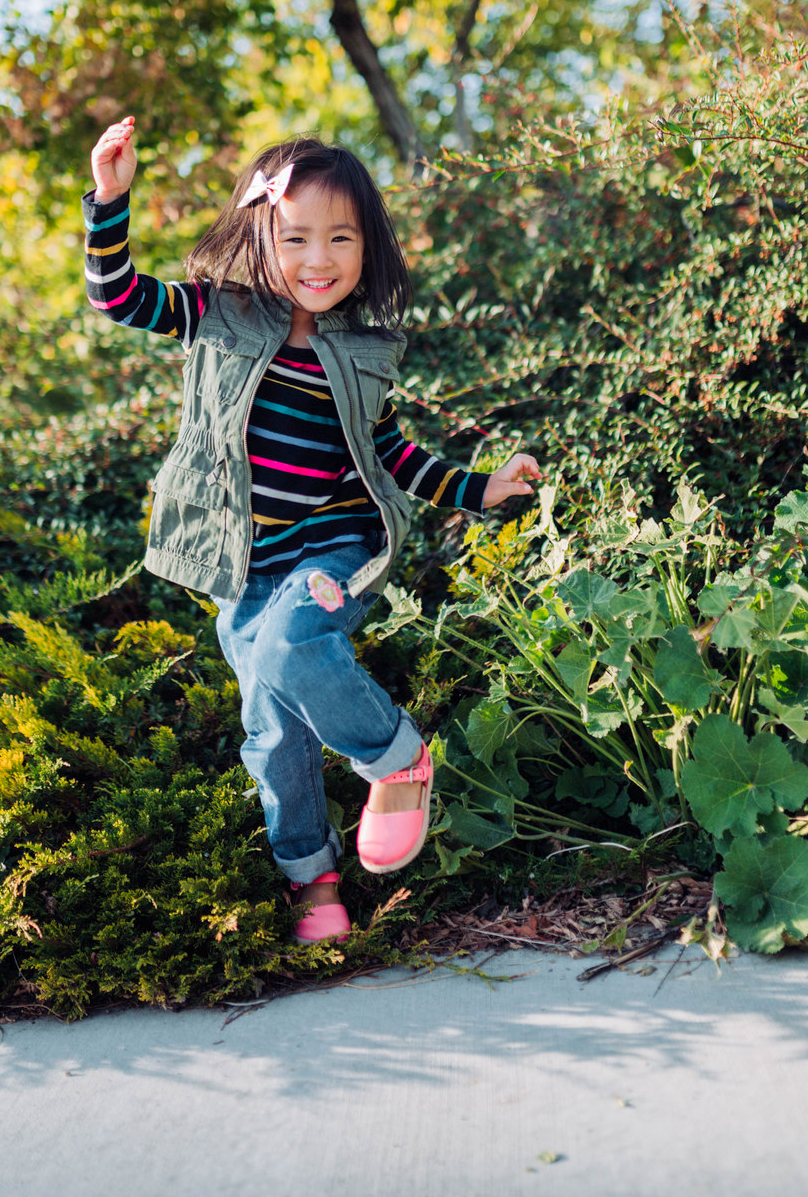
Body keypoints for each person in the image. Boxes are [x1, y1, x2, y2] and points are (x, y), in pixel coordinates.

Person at [83, 117, 541, 943]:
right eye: (295, 238)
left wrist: (482, 488)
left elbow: (389, 453)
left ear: (368, 249)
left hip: (331, 547)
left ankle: (395, 758)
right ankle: (312, 880)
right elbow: (117, 296)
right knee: (271, 728)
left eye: (340, 238)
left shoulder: (364, 351)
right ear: (259, 236)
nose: (318, 259)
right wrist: (110, 199)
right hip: (243, 561)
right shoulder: (213, 315)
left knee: (293, 646)